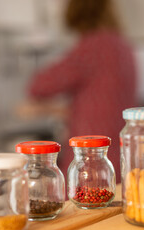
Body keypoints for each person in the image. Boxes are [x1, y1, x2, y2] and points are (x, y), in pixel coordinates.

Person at [26, 0, 136, 185]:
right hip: (121, 155)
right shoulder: (123, 46)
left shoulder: (93, 46)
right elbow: (103, 99)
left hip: (89, 157)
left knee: (81, 208)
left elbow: (40, 85)